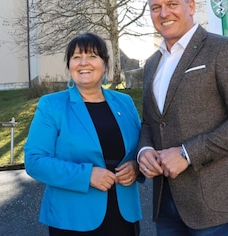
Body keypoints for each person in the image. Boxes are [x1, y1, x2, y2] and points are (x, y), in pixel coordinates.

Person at [137, 0, 228, 235]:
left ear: (191, 6)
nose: (164, 13)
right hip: (166, 201)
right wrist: (145, 150)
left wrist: (187, 153)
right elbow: (151, 121)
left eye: (172, 3)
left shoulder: (222, 49)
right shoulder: (152, 63)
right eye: (155, 7)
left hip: (213, 201)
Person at [24, 33, 142, 235]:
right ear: (69, 65)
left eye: (92, 56)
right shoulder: (52, 105)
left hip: (124, 216)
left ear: (105, 65)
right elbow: (35, 161)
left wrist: (136, 166)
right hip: (73, 218)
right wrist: (86, 175)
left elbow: (140, 147)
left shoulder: (125, 102)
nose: (83, 62)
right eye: (76, 57)